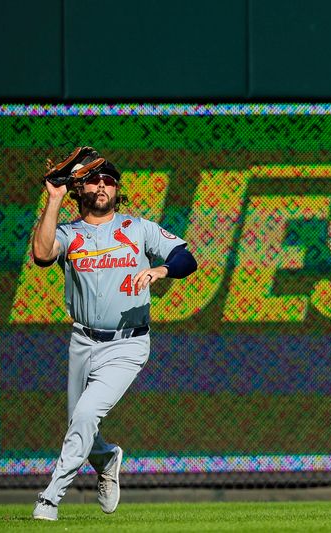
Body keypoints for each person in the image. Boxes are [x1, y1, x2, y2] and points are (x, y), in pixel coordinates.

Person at [30, 148, 197, 521]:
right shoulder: (68, 234)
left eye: (108, 179)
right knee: (81, 426)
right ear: (78, 188)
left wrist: (161, 270)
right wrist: (53, 199)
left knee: (87, 414)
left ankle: (49, 499)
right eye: (93, 178)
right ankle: (106, 457)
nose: (103, 184)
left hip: (128, 342)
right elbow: (41, 255)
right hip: (83, 340)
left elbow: (186, 257)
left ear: (117, 188)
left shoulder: (138, 228)